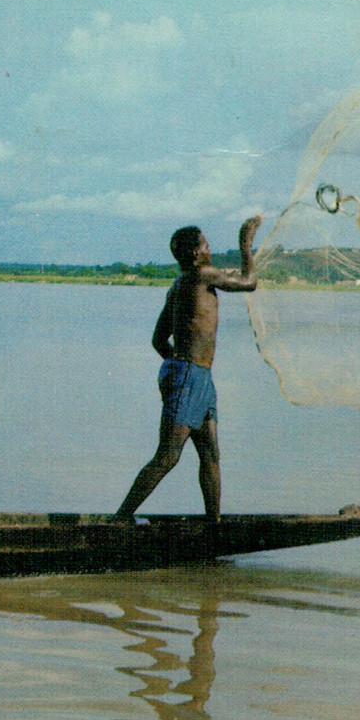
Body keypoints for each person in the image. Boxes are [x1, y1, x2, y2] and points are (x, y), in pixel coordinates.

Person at [116, 215, 262, 521]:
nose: (210, 250)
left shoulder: (179, 285)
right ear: (197, 253)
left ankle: (214, 524)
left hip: (196, 377)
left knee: (210, 454)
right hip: (189, 376)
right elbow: (250, 282)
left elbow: (158, 340)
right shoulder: (202, 275)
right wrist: (245, 244)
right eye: (207, 245)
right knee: (168, 455)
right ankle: (119, 519)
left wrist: (178, 367)